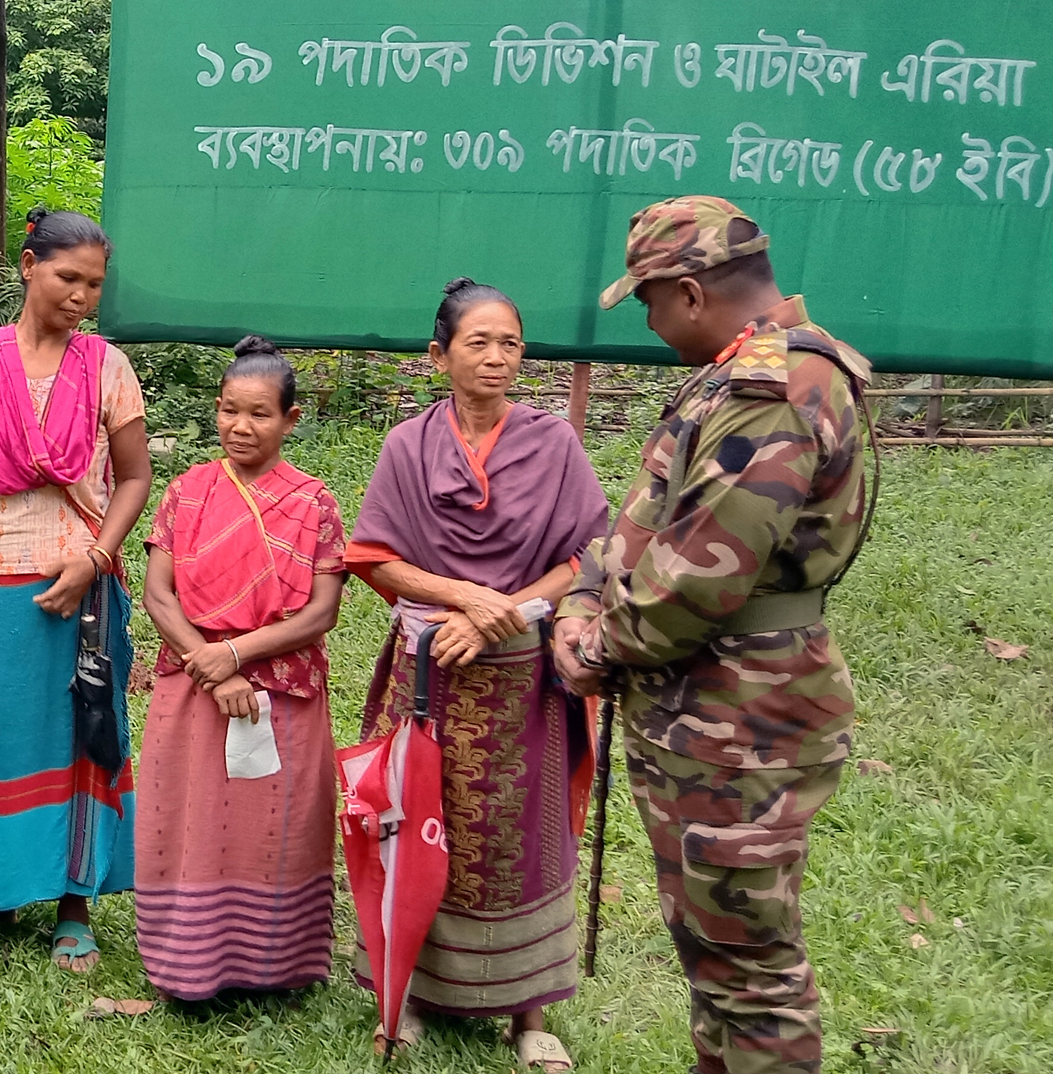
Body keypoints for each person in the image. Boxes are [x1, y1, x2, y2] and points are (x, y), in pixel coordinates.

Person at [553, 197, 872, 1074]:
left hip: (739, 721)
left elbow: (695, 579)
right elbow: (646, 523)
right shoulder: (736, 375)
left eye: (650, 302)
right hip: (711, 714)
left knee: (749, 973)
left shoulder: (772, 391)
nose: (651, 324)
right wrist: (586, 598)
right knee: (716, 955)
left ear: (689, 292)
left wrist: (594, 645)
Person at [342, 278, 611, 1070]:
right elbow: (375, 556)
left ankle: (529, 1015)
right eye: (479, 343)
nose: (498, 359)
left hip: (522, 680)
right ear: (439, 356)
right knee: (421, 820)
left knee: (524, 838)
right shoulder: (408, 446)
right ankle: (414, 996)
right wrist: (462, 596)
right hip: (428, 672)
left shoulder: (553, 444)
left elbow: (589, 555)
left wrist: (511, 610)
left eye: (511, 345)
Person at [0, 209, 152, 973]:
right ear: (28, 266)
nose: (82, 295)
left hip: (79, 583)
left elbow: (134, 477)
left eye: (94, 284)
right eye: (67, 278)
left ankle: (74, 904)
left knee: (79, 736)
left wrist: (96, 555)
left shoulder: (107, 368)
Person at [135, 337, 347, 1002]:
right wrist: (214, 667)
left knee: (274, 824)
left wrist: (238, 655)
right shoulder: (187, 491)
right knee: (190, 818)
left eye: (258, 414)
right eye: (229, 411)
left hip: (281, 688)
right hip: (197, 683)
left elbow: (320, 614)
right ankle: (187, 964)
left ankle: (276, 967)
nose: (239, 427)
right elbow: (158, 593)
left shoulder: (314, 503)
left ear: (291, 418)